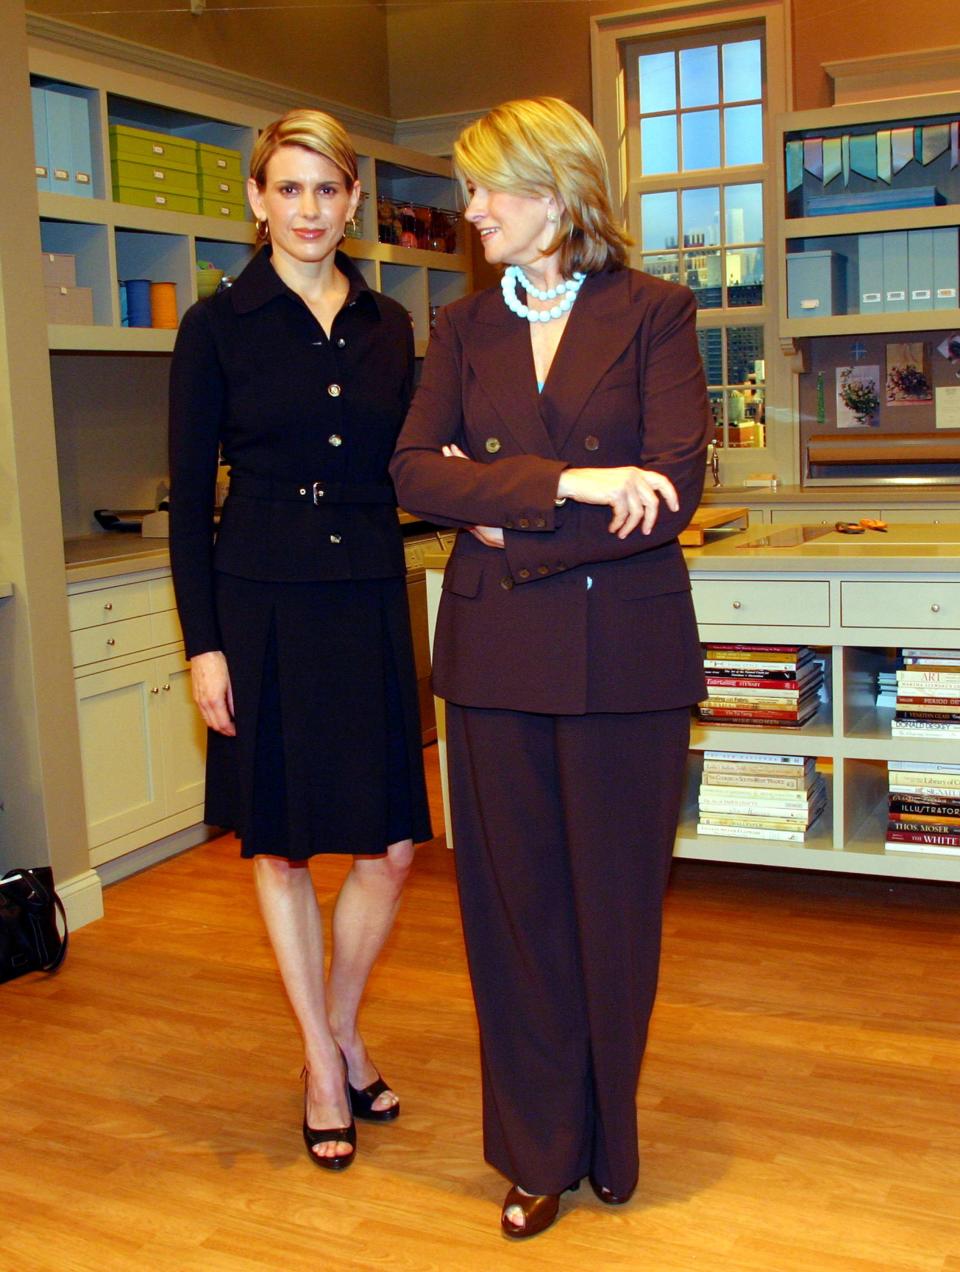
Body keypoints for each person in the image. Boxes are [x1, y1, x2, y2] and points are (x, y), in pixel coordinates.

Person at [390, 97, 711, 1237]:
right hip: (493, 663)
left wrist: (504, 517)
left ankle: (605, 1136)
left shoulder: (656, 313)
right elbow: (414, 475)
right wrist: (565, 485)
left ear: (558, 193)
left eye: (487, 189)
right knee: (515, 917)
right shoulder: (460, 330)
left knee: (614, 913)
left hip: (623, 658)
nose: (468, 211)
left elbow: (671, 486)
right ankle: (536, 1151)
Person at [169, 109, 432, 1172]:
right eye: (290, 189)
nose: (310, 210)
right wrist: (204, 644)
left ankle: (335, 1024)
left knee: (395, 848)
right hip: (259, 605)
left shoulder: (391, 325)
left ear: (355, 201)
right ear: (256, 199)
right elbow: (191, 501)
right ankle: (327, 1067)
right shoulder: (217, 325)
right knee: (278, 844)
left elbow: (417, 466)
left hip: (367, 594)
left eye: (329, 190)